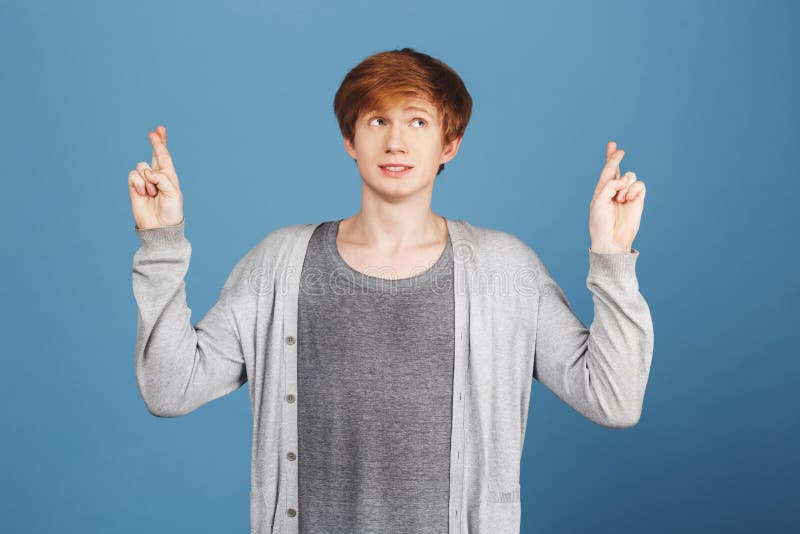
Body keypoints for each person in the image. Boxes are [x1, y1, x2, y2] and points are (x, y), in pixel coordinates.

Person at [129, 47, 653, 534]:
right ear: (349, 139)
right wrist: (161, 244)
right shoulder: (279, 263)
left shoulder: (504, 270)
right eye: (377, 120)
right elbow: (171, 389)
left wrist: (611, 259)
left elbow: (614, 400)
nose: (395, 142)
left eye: (417, 122)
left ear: (450, 143)